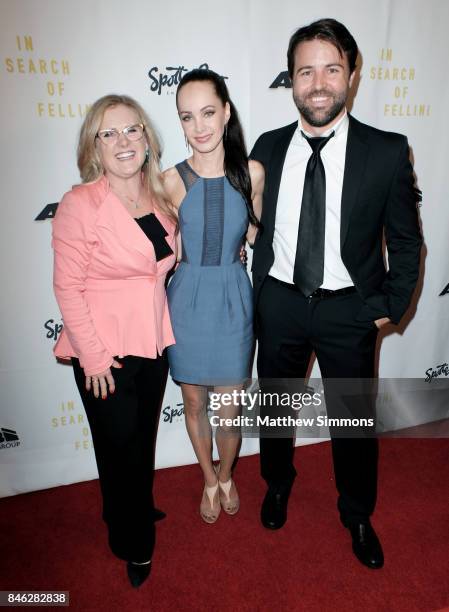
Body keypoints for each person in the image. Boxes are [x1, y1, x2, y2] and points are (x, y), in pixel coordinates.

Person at [250, 18, 422, 568]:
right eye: (305, 71)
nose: (318, 83)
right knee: (277, 409)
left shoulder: (388, 151)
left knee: (351, 421)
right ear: (292, 80)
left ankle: (356, 512)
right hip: (279, 301)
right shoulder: (268, 148)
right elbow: (253, 225)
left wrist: (387, 310)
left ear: (351, 74)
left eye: (330, 69)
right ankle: (277, 483)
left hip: (351, 310)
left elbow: (405, 240)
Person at [52, 94, 177, 587]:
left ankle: (132, 508)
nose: (124, 141)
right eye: (110, 133)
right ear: (94, 147)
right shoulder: (81, 203)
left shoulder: (160, 195)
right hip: (105, 353)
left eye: (133, 130)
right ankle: (133, 541)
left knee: (138, 441)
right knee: (117, 447)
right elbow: (68, 286)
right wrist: (95, 357)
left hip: (153, 344)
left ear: (147, 140)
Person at [163, 69, 264, 523]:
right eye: (187, 117)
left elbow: (259, 236)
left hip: (231, 298)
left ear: (226, 112)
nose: (199, 126)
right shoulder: (168, 181)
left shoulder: (252, 173)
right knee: (193, 403)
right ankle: (208, 479)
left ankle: (227, 473)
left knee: (229, 407)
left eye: (207, 112)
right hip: (186, 300)